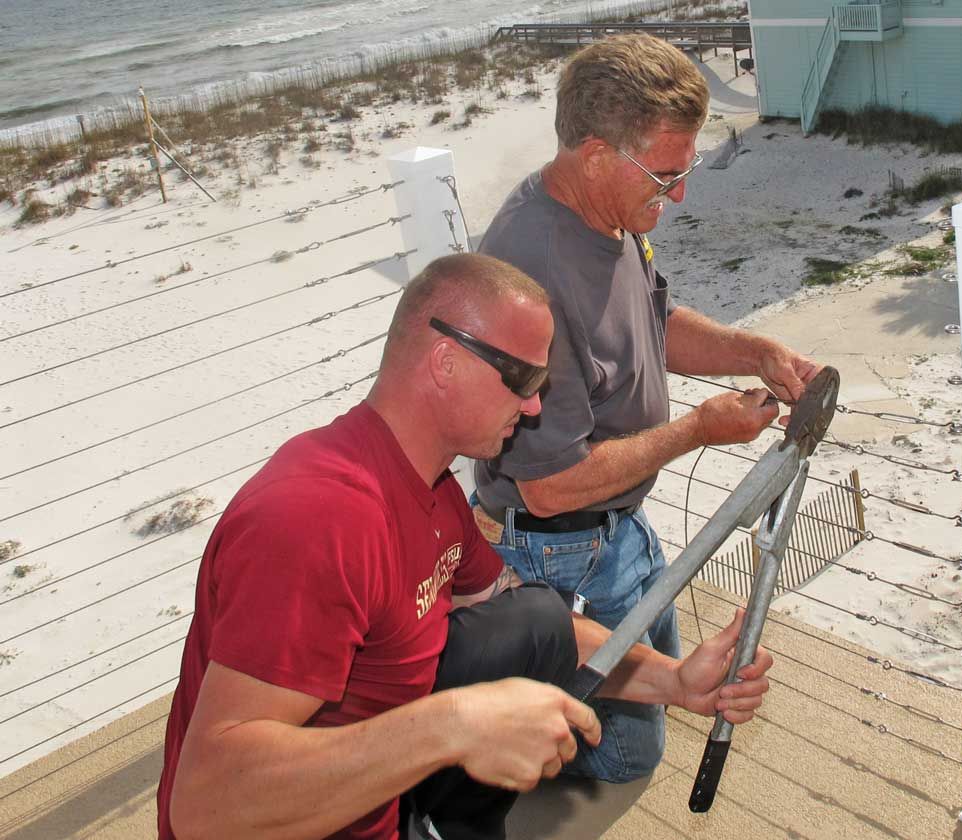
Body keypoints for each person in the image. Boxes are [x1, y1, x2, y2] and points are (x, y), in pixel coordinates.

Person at [157, 253, 774, 840]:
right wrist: (452, 727)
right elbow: (207, 805)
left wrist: (677, 682)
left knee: (531, 616)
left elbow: (548, 630)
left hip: (376, 800)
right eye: (524, 378)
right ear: (445, 362)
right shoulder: (318, 519)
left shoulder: (428, 488)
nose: (535, 405)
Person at [474, 33, 821, 784]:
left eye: (685, 169)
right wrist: (698, 430)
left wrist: (752, 351)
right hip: (557, 545)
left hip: (617, 526)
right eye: (667, 174)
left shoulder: (611, 215)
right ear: (596, 153)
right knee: (632, 755)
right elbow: (549, 485)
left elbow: (654, 323)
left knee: (658, 691)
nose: (681, 194)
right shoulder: (528, 279)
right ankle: (504, 730)